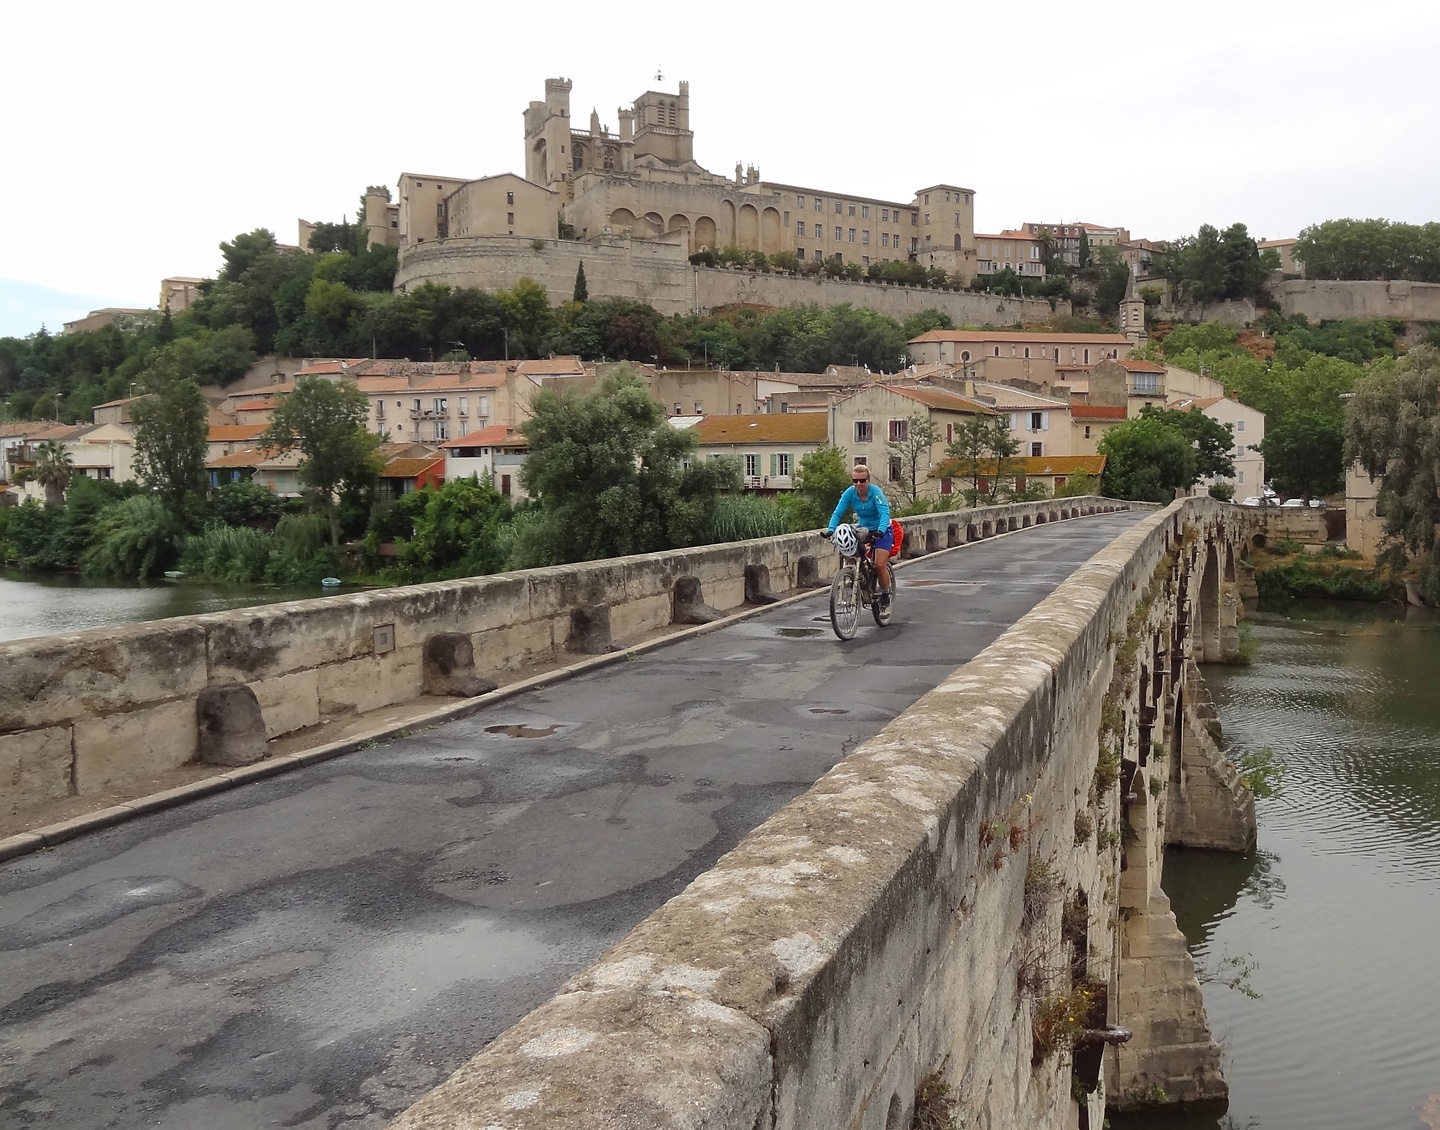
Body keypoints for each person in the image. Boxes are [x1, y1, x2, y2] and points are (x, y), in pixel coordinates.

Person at [822, 463, 894, 606]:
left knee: (879, 565)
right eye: (855, 481)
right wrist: (831, 529)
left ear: (868, 480)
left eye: (862, 480)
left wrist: (881, 530)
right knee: (849, 555)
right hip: (863, 529)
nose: (858, 484)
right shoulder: (850, 493)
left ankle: (885, 593)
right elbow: (838, 512)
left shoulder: (875, 492)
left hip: (882, 529)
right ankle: (857, 577)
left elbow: (884, 512)